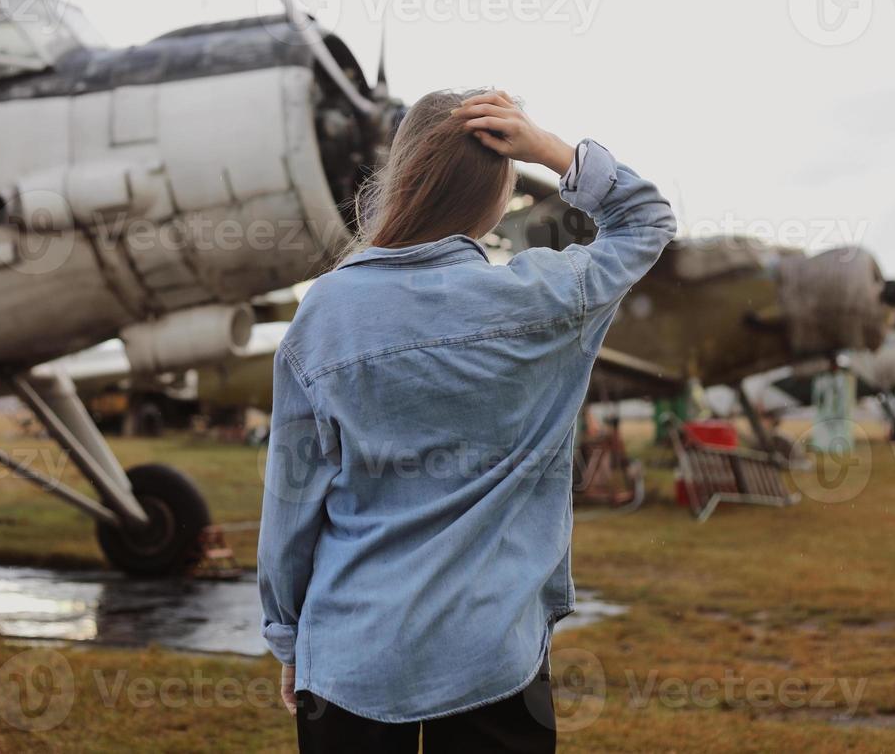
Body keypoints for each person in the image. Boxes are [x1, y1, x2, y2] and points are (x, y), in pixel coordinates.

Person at [258, 89, 676, 753]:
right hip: (494, 650)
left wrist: (287, 638)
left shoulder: (327, 313)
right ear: (498, 188)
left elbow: (292, 501)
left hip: (351, 651)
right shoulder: (543, 297)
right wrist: (548, 148)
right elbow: (646, 220)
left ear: (402, 179)